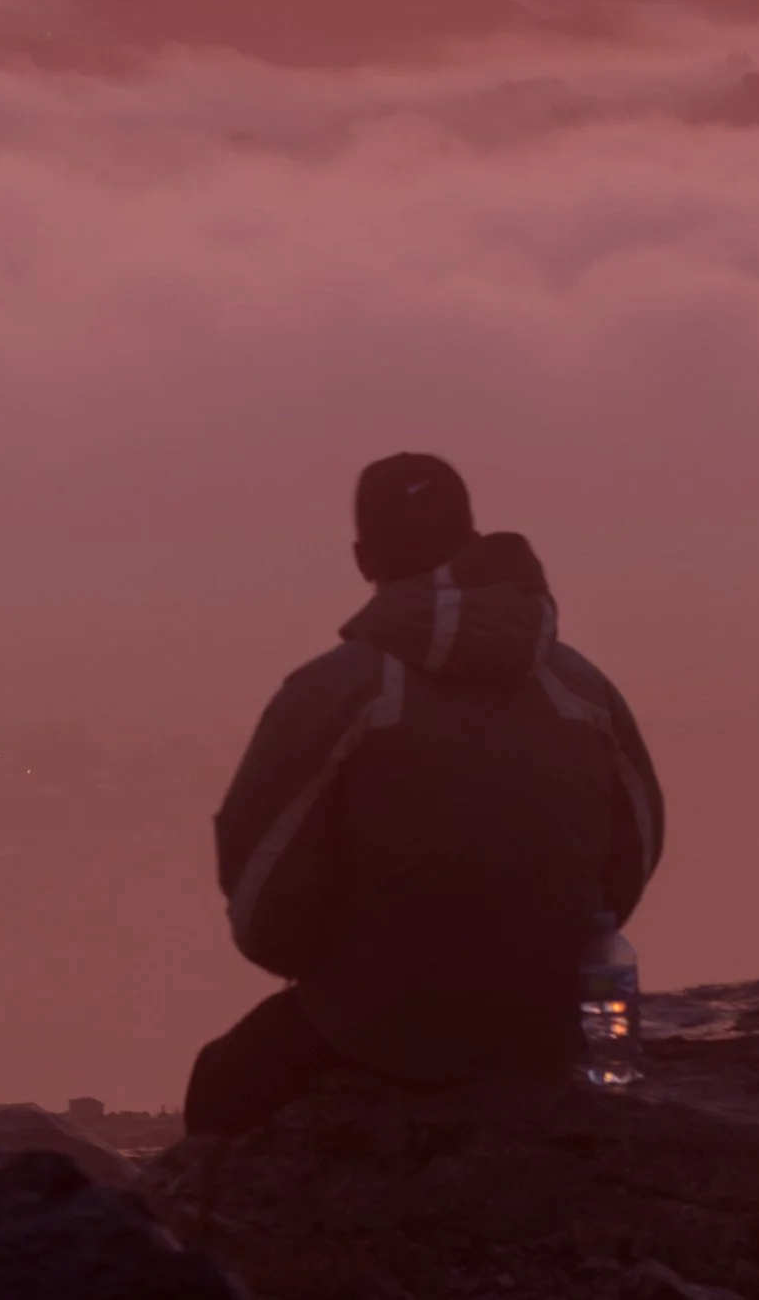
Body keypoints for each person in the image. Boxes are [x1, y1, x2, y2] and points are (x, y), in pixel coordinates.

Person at [184, 452, 664, 1138]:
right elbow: (638, 847)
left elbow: (263, 888)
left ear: (362, 558)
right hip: (568, 1024)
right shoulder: (584, 689)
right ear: (472, 540)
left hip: (386, 1028)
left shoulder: (339, 692)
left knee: (223, 1084)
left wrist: (327, 975)